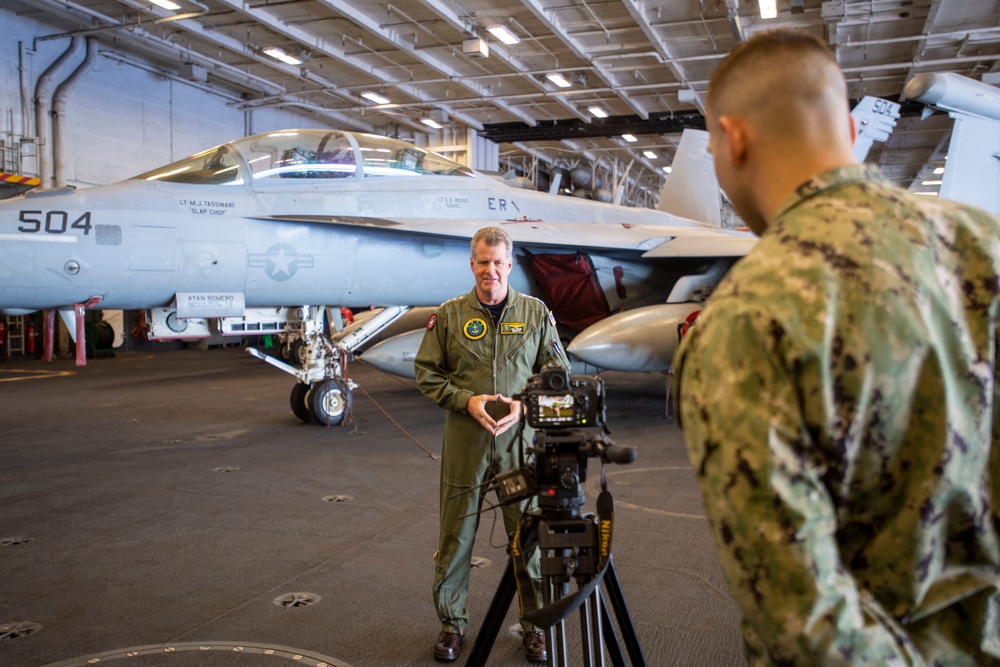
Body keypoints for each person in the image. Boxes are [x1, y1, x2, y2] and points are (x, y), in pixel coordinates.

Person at [673, 28, 1000, 666]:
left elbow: (806, 627)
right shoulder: (985, 243)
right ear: (850, 135)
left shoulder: (745, 318)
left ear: (733, 140)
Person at [415, 226, 570, 663]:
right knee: (456, 534)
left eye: (499, 262)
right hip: (467, 444)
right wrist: (467, 400)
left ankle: (534, 627)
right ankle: (451, 625)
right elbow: (427, 373)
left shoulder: (536, 314)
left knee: (528, 538)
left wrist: (524, 403)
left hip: (519, 447)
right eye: (483, 262)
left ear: (509, 264)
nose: (491, 271)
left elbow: (558, 370)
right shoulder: (448, 316)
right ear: (472, 264)